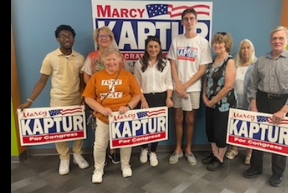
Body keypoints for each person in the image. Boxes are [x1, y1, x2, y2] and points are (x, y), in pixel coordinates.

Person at [19, 24, 87, 175]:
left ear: (73, 40)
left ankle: (77, 154)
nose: (66, 38)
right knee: (60, 131)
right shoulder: (50, 57)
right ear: (57, 39)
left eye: (69, 36)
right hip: (58, 101)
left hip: (76, 100)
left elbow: (82, 82)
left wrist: (83, 98)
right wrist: (29, 101)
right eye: (63, 36)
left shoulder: (80, 58)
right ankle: (64, 158)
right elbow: (42, 81)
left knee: (78, 130)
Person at [245, 26, 288, 186]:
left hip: (283, 102)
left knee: (279, 139)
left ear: (287, 40)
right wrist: (253, 104)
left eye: (280, 38)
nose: (277, 41)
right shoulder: (261, 61)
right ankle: (256, 166)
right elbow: (252, 84)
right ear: (270, 40)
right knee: (257, 136)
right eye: (274, 38)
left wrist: (284, 110)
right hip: (262, 99)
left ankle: (277, 173)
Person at [83, 48, 142, 183]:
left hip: (123, 117)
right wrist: (101, 109)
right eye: (108, 59)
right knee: (100, 145)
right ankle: (98, 169)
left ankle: (125, 165)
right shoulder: (96, 77)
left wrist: (128, 107)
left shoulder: (127, 75)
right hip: (103, 117)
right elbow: (88, 98)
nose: (111, 62)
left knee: (125, 143)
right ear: (103, 60)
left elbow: (137, 95)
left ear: (120, 60)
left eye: (114, 59)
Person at [167, 8, 212, 165]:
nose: (189, 21)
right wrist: (178, 85)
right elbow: (172, 64)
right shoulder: (176, 40)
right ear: (182, 22)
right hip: (177, 87)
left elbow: (202, 69)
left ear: (196, 21)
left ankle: (188, 150)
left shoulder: (203, 42)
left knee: (190, 120)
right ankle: (178, 149)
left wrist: (185, 86)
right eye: (186, 19)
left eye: (192, 18)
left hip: (193, 88)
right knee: (178, 119)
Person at [135, 35, 173, 166]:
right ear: (146, 48)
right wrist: (143, 100)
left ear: (160, 48)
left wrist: (168, 97)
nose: (153, 49)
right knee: (144, 125)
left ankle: (153, 152)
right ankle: (144, 149)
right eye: (150, 46)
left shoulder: (166, 63)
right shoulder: (139, 63)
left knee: (157, 126)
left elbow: (169, 82)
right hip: (145, 98)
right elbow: (137, 85)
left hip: (161, 97)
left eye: (156, 46)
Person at [201, 31, 237, 171]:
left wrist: (213, 101)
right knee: (210, 130)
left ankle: (220, 158)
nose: (216, 45)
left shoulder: (229, 61)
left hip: (223, 104)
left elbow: (228, 86)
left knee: (220, 131)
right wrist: (204, 96)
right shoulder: (213, 60)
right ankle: (214, 153)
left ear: (226, 44)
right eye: (215, 42)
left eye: (220, 42)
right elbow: (207, 80)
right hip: (209, 102)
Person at [226, 38, 257, 164]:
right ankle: (234, 149)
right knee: (235, 125)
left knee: (250, 127)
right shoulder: (235, 64)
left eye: (248, 48)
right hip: (235, 101)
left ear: (252, 50)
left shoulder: (256, 65)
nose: (245, 50)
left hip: (250, 102)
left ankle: (249, 153)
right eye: (243, 48)